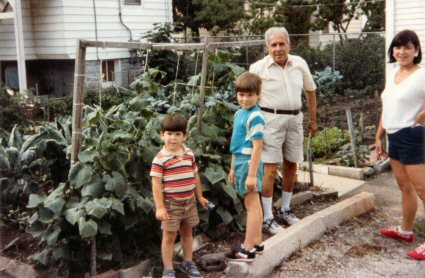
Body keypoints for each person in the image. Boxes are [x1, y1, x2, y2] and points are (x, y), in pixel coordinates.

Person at [249, 27, 317, 235]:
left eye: (282, 44)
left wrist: (313, 119)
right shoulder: (258, 68)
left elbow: (311, 90)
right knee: (269, 169)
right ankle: (268, 218)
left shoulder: (299, 63)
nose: (278, 48)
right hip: (270, 120)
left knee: (291, 165)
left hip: (295, 119)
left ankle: (285, 209)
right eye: (274, 45)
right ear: (267, 47)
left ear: (289, 45)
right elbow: (247, 96)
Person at [375, 29, 425, 261]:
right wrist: (379, 136)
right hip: (393, 136)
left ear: (416, 50)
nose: (401, 51)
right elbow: (388, 107)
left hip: (413, 136)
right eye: (397, 47)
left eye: (407, 47)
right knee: (404, 186)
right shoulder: (393, 73)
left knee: (423, 190)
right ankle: (405, 231)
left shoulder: (422, 74)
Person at [150, 114, 209, 277]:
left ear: (184, 136)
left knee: (187, 233)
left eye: (177, 134)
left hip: (189, 202)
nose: (173, 138)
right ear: (162, 135)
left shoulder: (189, 153)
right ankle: (168, 269)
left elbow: (195, 176)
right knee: (169, 237)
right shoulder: (160, 159)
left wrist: (199, 196)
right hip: (171, 204)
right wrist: (160, 207)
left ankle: (187, 263)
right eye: (169, 134)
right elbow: (156, 184)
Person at [225, 72, 265, 262]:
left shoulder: (256, 117)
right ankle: (256, 241)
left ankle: (247, 249)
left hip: (249, 163)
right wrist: (233, 168)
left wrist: (251, 174)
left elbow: (258, 147)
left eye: (249, 95)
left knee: (251, 206)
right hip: (240, 162)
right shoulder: (239, 113)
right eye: (241, 94)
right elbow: (236, 143)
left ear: (258, 95)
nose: (245, 99)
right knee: (253, 204)